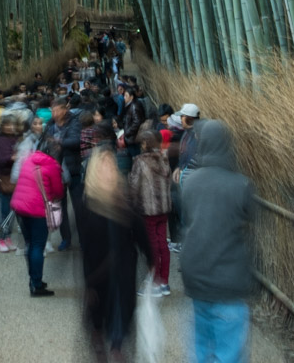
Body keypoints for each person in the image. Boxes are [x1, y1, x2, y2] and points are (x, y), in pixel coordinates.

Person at [180, 120, 254, 363]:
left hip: (195, 277)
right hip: (228, 280)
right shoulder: (241, 185)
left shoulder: (189, 182)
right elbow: (251, 220)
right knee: (229, 351)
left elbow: (187, 220)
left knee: (201, 347)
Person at [82, 126, 151, 362]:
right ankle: (98, 337)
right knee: (100, 311)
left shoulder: (123, 201)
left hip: (123, 269)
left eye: (111, 167)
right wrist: (87, 281)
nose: (109, 172)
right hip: (98, 273)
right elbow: (84, 250)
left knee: (122, 309)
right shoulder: (88, 206)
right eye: (103, 167)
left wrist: (152, 260)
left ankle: (117, 346)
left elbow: (140, 231)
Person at [11, 138, 64, 297]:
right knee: (37, 247)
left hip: (20, 207)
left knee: (29, 244)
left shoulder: (29, 159)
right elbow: (58, 191)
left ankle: (33, 279)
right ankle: (37, 285)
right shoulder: (53, 165)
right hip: (37, 210)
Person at [129, 130, 172, 296]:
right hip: (164, 208)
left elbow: (134, 186)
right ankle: (164, 282)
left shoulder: (140, 161)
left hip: (148, 208)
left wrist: (131, 206)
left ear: (145, 144)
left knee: (151, 245)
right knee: (163, 244)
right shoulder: (164, 158)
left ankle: (154, 282)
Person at [46, 97, 82, 250]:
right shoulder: (50, 125)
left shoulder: (74, 121)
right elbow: (45, 143)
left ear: (64, 109)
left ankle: (84, 239)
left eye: (56, 110)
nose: (53, 113)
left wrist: (58, 142)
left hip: (72, 169)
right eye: (52, 110)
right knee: (60, 207)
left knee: (79, 206)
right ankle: (65, 238)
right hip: (56, 171)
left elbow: (76, 140)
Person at [0, 115, 17, 251]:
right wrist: (11, 157)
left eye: (12, 125)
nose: (10, 127)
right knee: (4, 211)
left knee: (12, 212)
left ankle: (8, 237)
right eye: (7, 125)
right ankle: (1, 238)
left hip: (15, 180)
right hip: (2, 180)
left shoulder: (17, 139)